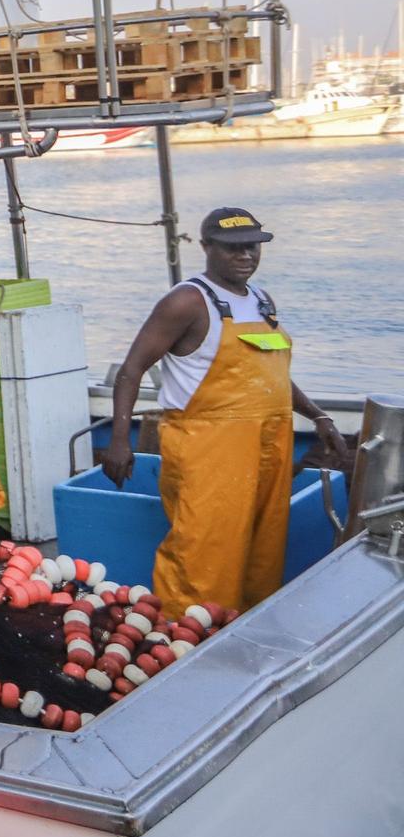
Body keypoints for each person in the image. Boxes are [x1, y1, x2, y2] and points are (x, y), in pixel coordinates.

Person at [104, 208, 345, 614]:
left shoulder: (262, 301)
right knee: (204, 550)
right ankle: (185, 637)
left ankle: (244, 629)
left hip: (269, 444)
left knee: (263, 546)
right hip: (208, 447)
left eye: (253, 246)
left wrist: (318, 416)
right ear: (206, 248)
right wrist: (117, 441)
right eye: (233, 247)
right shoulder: (186, 301)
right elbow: (131, 371)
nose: (245, 255)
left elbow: (272, 375)